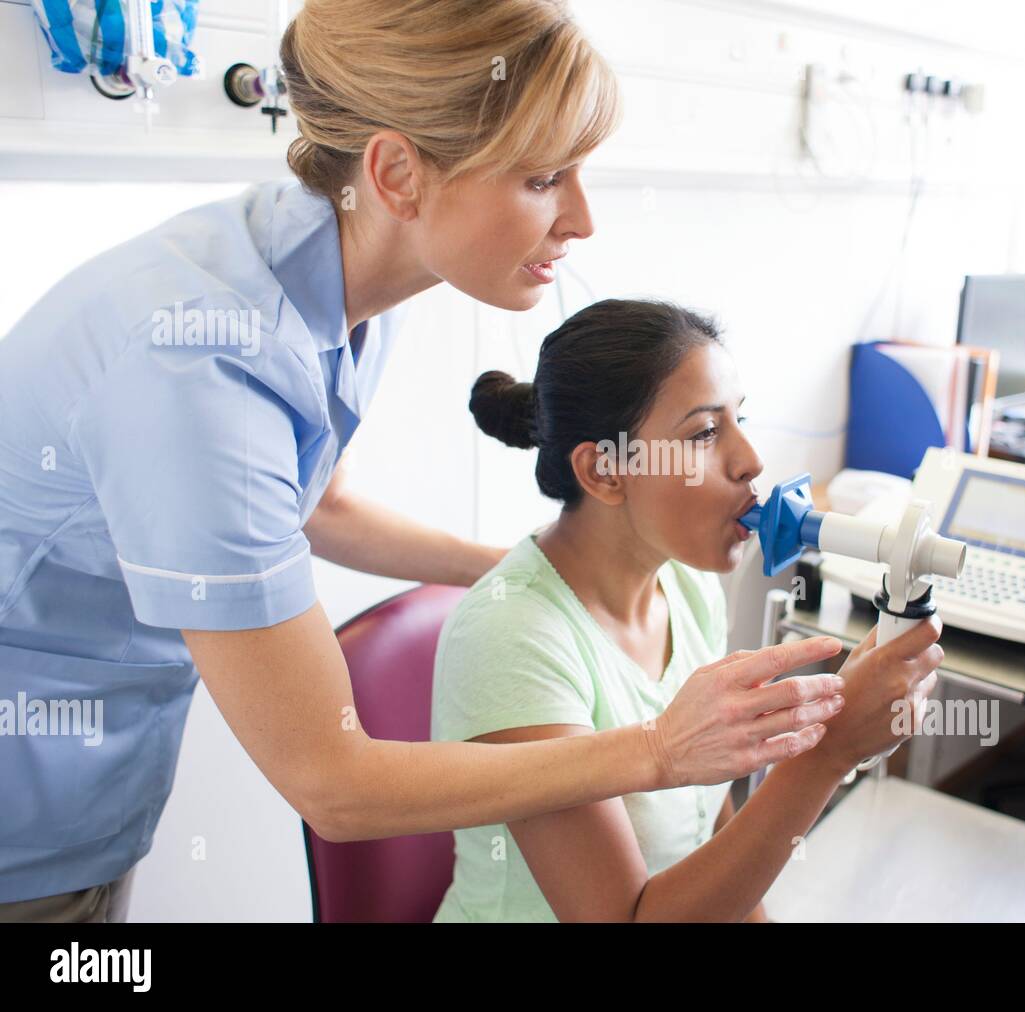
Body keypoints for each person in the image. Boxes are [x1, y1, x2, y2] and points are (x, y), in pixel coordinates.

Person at [0, 0, 847, 920]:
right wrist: (658, 748)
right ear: (398, 173)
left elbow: (314, 506)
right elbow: (333, 783)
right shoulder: (199, 369)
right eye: (542, 178)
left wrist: (527, 579)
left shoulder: (343, 284)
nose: (583, 220)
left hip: (98, 781)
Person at [431, 299, 944, 922]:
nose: (751, 459)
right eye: (704, 433)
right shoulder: (512, 640)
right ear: (605, 471)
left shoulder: (687, 588)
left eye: (740, 418)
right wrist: (827, 755)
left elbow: (712, 831)